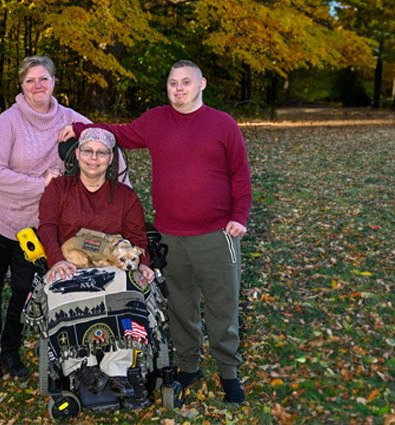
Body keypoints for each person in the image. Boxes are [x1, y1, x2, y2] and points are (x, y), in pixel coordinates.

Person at [58, 60, 252, 404]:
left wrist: (240, 215)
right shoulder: (157, 120)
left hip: (216, 234)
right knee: (180, 306)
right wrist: (79, 127)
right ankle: (189, 366)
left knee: (223, 308)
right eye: (173, 83)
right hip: (169, 235)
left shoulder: (223, 125)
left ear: (201, 84)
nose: (179, 89)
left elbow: (240, 174)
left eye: (186, 82)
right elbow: (121, 133)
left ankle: (229, 373)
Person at [0, 55, 94, 382]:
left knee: (25, 288)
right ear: (21, 86)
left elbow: (103, 137)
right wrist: (43, 184)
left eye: (43, 79)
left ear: (54, 82)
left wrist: (121, 185)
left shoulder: (67, 117)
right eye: (30, 81)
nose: (37, 85)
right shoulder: (8, 121)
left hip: (31, 220)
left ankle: (10, 348)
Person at [37, 127, 155, 384]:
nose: (93, 158)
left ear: (111, 158)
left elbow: (137, 238)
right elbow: (46, 227)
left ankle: (118, 367)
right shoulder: (59, 188)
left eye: (101, 153)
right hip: (71, 263)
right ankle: (80, 365)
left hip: (112, 267)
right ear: (77, 154)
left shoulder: (126, 197)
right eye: (88, 151)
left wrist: (143, 264)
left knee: (131, 285)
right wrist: (56, 260)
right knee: (59, 288)